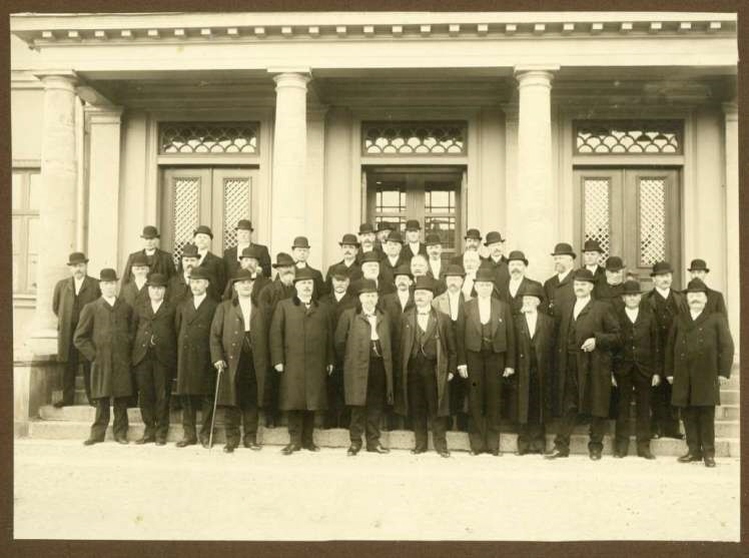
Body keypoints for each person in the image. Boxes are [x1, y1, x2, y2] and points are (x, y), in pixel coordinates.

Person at [546, 269, 621, 461]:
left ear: (591, 287)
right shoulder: (566, 306)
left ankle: (595, 447)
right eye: (577, 284)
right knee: (568, 404)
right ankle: (561, 446)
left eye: (583, 284)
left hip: (595, 363)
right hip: (570, 363)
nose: (579, 288)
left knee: (597, 404)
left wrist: (597, 340)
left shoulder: (602, 308)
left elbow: (617, 336)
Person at [665, 278, 734, 468]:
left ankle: (709, 454)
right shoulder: (679, 319)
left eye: (699, 295)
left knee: (705, 415)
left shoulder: (716, 318)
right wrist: (669, 372)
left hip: (707, 374)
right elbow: (670, 346)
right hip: (683, 375)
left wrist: (723, 373)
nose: (695, 298)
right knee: (687, 414)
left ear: (706, 299)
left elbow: (727, 346)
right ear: (687, 299)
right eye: (691, 295)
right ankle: (693, 451)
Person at [270, 268, 335, 455]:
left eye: (309, 284)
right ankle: (294, 441)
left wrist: (330, 359)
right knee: (294, 402)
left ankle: (308, 440)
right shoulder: (284, 306)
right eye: (303, 283)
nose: (306, 287)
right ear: (296, 286)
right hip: (292, 363)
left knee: (312, 402)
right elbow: (276, 334)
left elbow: (329, 336)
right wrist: (278, 360)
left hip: (316, 363)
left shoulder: (322, 308)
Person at [456, 267, 516, 455]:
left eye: (488, 285)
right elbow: (459, 336)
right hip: (473, 357)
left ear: (492, 287)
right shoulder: (466, 306)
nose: (484, 288)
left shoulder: (502, 307)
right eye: (481, 285)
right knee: (475, 400)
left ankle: (493, 444)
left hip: (495, 357)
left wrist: (510, 363)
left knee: (494, 400)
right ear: (476, 286)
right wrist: (462, 362)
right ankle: (476, 444)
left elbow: (510, 336)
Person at [395, 276, 457, 457]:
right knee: (417, 407)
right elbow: (399, 346)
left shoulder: (442, 319)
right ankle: (420, 444)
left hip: (434, 369)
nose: (420, 296)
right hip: (413, 369)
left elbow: (451, 348)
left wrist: (451, 370)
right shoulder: (405, 317)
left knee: (437, 408)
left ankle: (441, 445)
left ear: (431, 296)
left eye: (423, 293)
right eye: (417, 293)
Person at [210, 269, 269, 453]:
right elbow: (214, 335)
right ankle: (232, 440)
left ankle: (250, 439)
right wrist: (218, 357)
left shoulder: (261, 306)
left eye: (249, 282)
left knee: (251, 400)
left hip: (254, 359)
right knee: (231, 400)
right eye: (242, 283)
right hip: (231, 360)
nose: (246, 285)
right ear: (235, 286)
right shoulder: (224, 307)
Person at [73, 268, 134, 445]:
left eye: (113, 283)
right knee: (101, 398)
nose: (109, 287)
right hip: (101, 362)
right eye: (106, 283)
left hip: (122, 361)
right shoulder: (91, 308)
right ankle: (97, 433)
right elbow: (79, 338)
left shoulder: (126, 308)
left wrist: (125, 347)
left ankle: (121, 433)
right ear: (101, 286)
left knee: (122, 398)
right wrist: (94, 355)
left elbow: (132, 332)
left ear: (116, 285)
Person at [335, 279, 394, 455]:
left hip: (379, 365)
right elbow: (339, 342)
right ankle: (355, 442)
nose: (370, 299)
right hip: (357, 366)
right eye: (366, 296)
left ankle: (373, 442)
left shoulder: (384, 316)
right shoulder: (349, 315)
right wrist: (349, 360)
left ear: (377, 298)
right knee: (357, 404)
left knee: (375, 404)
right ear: (360, 298)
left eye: (373, 296)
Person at [611, 279, 660, 459]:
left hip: (644, 368)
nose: (632, 298)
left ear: (639, 298)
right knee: (622, 408)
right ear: (623, 298)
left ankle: (644, 446)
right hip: (622, 369)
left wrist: (656, 371)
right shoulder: (615, 315)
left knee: (644, 408)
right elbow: (611, 346)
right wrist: (611, 372)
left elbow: (656, 345)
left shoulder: (649, 316)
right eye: (628, 296)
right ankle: (621, 446)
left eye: (635, 295)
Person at [174, 267, 219, 448]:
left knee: (207, 396)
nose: (195, 285)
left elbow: (216, 333)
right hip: (186, 357)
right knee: (187, 396)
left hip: (206, 357)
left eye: (199, 282)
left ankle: (206, 433)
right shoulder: (183, 305)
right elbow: (178, 329)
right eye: (193, 282)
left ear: (206, 284)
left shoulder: (215, 306)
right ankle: (189, 434)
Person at [131, 273, 177, 446]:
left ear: (164, 290)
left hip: (163, 358)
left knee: (162, 395)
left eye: (159, 288)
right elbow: (133, 330)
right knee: (146, 395)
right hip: (142, 357)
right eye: (153, 288)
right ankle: (149, 429)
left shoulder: (171, 308)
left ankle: (161, 432)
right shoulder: (140, 307)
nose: (156, 291)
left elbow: (176, 332)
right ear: (148, 290)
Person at [52, 251, 100, 407]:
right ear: (70, 269)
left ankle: (93, 398)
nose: (77, 269)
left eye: (80, 265)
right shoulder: (61, 285)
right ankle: (67, 398)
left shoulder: (95, 285)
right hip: (67, 332)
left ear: (86, 266)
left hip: (88, 332)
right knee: (68, 364)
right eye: (74, 266)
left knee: (88, 363)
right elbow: (56, 307)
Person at [646, 261, 687, 440]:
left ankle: (673, 427)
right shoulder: (646, 300)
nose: (665, 279)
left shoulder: (680, 298)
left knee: (674, 388)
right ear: (654, 279)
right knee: (655, 389)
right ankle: (656, 427)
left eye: (668, 275)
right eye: (661, 276)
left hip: (675, 350)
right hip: (654, 349)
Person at [514, 281, 555, 455]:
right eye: (526, 299)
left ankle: (539, 442)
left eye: (532, 299)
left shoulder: (548, 322)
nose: (528, 302)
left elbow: (552, 347)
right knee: (522, 405)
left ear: (538, 302)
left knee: (538, 405)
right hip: (521, 369)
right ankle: (523, 443)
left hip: (541, 369)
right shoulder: (516, 321)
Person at [258, 252, 297, 428]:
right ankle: (271, 416)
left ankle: (288, 414)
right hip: (273, 339)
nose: (287, 270)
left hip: (294, 340)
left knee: (291, 379)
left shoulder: (299, 288)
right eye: (283, 267)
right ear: (278, 270)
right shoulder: (268, 290)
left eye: (290, 267)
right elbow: (263, 317)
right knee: (273, 378)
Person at [319, 264, 358, 428]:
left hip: (347, 349)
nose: (340, 284)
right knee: (328, 383)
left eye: (343, 281)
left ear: (348, 282)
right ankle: (329, 420)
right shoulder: (323, 301)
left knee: (346, 384)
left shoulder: (355, 302)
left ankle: (344, 420)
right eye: (337, 280)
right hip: (327, 348)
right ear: (332, 281)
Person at [432, 264, 470, 431]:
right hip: (445, 347)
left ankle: (462, 423)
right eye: (450, 279)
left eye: (456, 279)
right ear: (446, 281)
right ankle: (446, 423)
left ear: (462, 281)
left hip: (464, 347)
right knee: (445, 384)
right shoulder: (436, 301)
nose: (453, 282)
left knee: (464, 384)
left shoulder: (470, 300)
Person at [378, 264, 414, 430]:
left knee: (409, 383)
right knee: (391, 382)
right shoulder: (386, 299)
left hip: (411, 348)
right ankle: (390, 421)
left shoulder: (416, 298)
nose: (402, 282)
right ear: (395, 282)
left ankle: (409, 422)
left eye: (405, 279)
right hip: (391, 347)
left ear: (411, 282)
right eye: (399, 279)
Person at [503, 250, 545, 316]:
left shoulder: (536, 286)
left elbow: (543, 312)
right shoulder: (501, 286)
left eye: (519, 264)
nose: (515, 268)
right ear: (508, 267)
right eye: (512, 264)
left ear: (525, 267)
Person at [191, 225, 226, 300]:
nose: (202, 240)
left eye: (205, 238)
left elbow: (222, 285)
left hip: (210, 300)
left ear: (210, 241)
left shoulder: (217, 261)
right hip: (190, 299)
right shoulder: (187, 259)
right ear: (194, 239)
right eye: (199, 237)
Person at [543, 242, 576, 317]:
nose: (557, 261)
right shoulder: (549, 283)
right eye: (555, 259)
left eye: (561, 258)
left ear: (570, 260)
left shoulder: (578, 280)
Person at [481, 231, 510, 299]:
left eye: (498, 245)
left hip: (507, 303)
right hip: (489, 303)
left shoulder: (509, 264)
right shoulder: (482, 265)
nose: (497, 248)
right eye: (493, 246)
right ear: (488, 248)